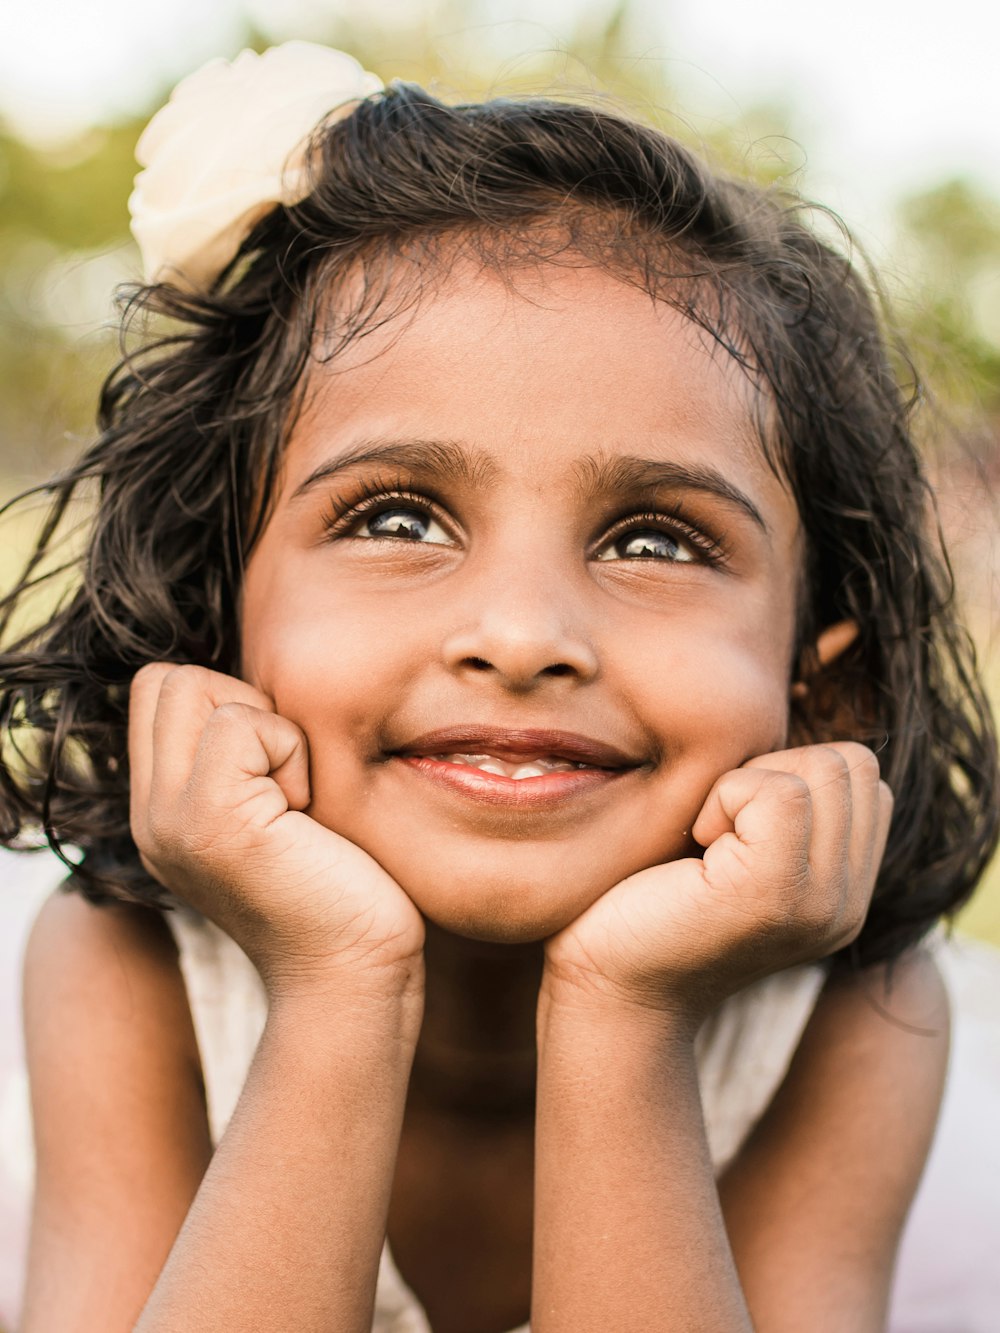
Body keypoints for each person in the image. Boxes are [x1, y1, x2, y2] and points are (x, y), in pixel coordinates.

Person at [1, 40, 997, 1333]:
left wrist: (626, 1013)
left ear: (826, 693)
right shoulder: (124, 963)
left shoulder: (855, 1017)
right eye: (399, 517)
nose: (523, 634)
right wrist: (337, 983)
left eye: (655, 539)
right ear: (217, 618)